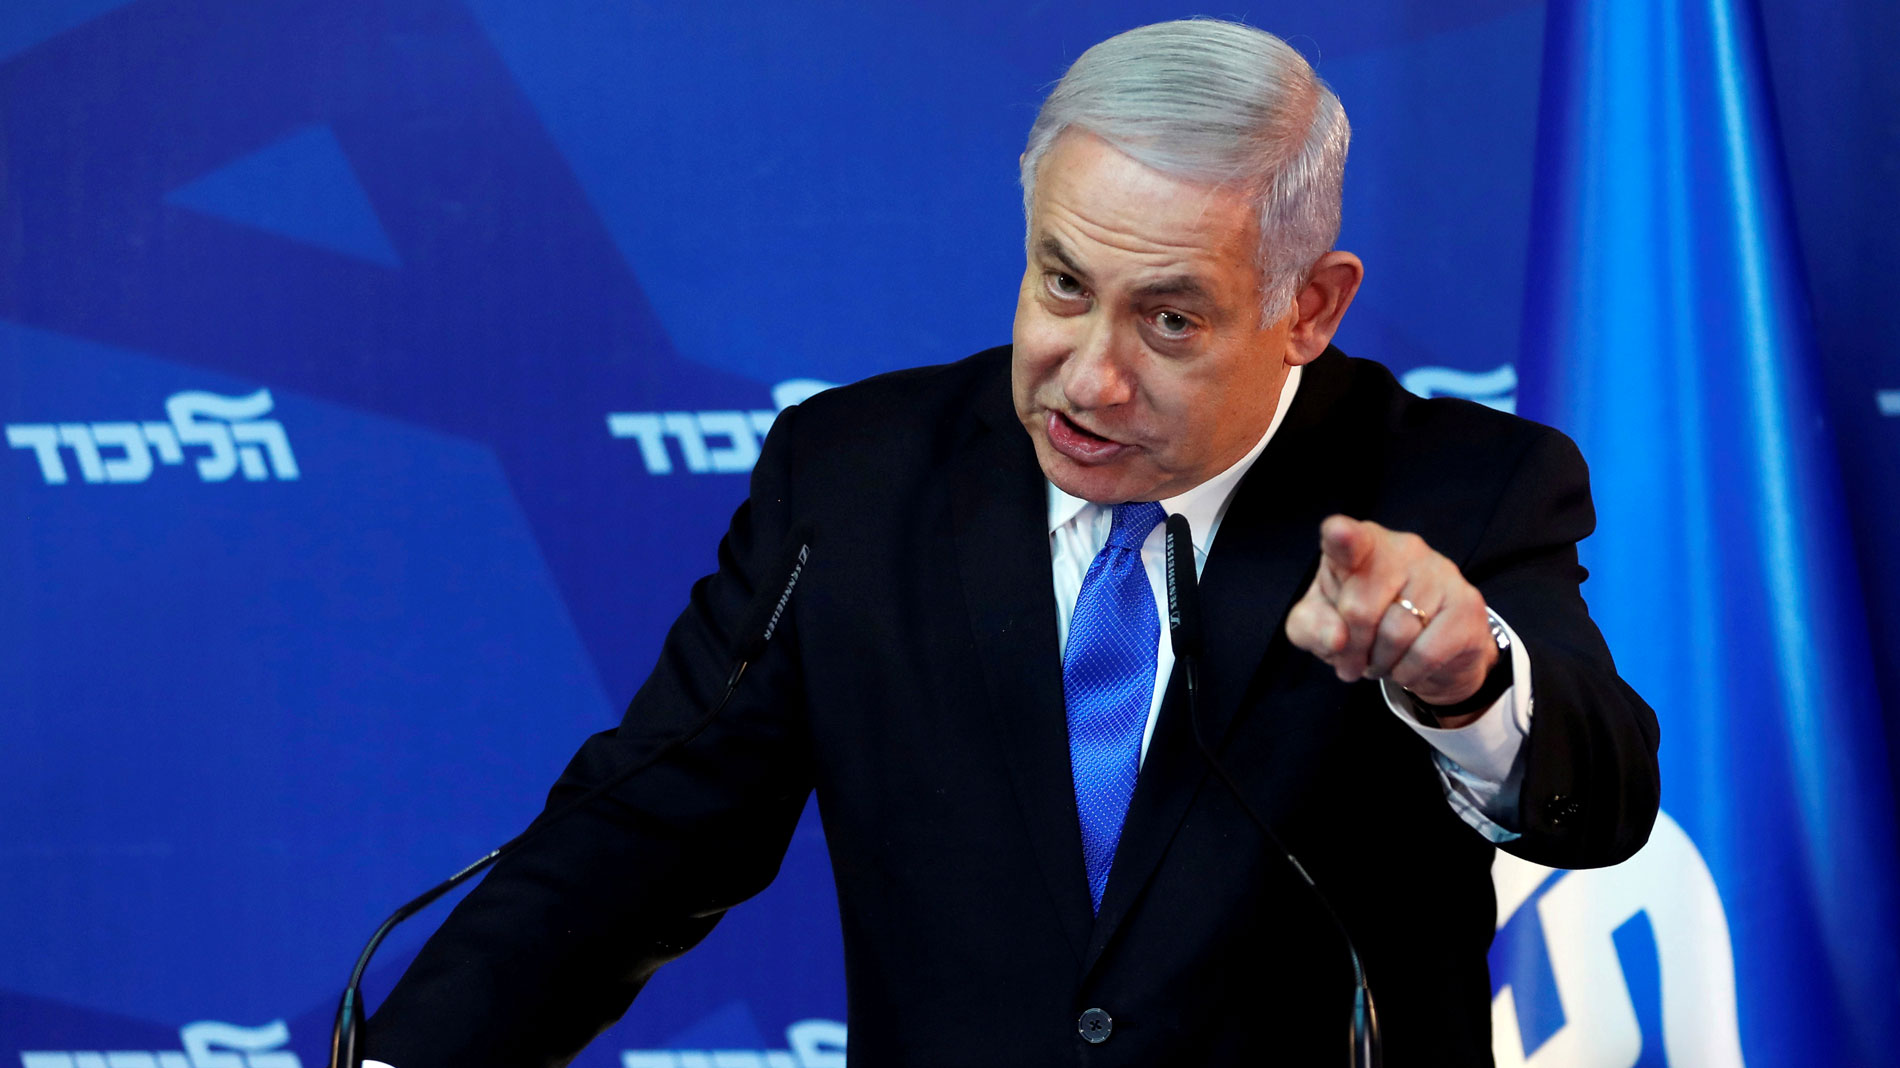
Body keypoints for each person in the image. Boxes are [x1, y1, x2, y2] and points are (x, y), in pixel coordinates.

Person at [365, 18, 1658, 1067]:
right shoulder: (855, 481)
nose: (1087, 378)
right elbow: (643, 834)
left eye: (1169, 321)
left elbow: (1598, 809)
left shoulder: (1456, 488)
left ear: (1309, 308)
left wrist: (1466, 682)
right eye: (1063, 284)